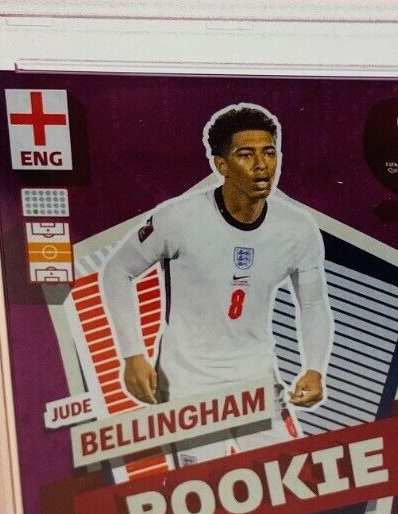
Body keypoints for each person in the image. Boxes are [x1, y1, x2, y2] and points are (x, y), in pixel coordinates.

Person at [100, 103, 332, 462]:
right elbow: (117, 271)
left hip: (256, 379)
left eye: (269, 152)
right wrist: (132, 355)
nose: (261, 165)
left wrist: (315, 367)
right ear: (220, 165)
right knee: (201, 492)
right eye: (245, 154)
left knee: (287, 481)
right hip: (188, 383)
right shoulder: (179, 218)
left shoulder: (297, 228)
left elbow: (313, 303)